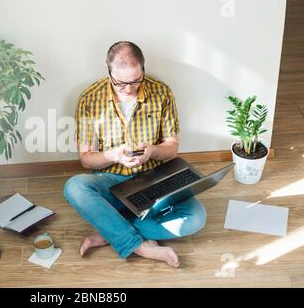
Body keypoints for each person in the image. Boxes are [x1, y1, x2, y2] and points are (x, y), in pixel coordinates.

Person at [63, 41, 207, 267]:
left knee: (196, 218)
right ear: (108, 69)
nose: (130, 88)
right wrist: (113, 156)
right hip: (111, 182)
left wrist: (153, 151)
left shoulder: (162, 92)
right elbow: (86, 158)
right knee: (74, 187)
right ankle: (138, 245)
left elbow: (172, 147)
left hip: (153, 181)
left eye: (136, 80)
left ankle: (109, 230)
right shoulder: (89, 98)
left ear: (143, 68)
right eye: (121, 83)